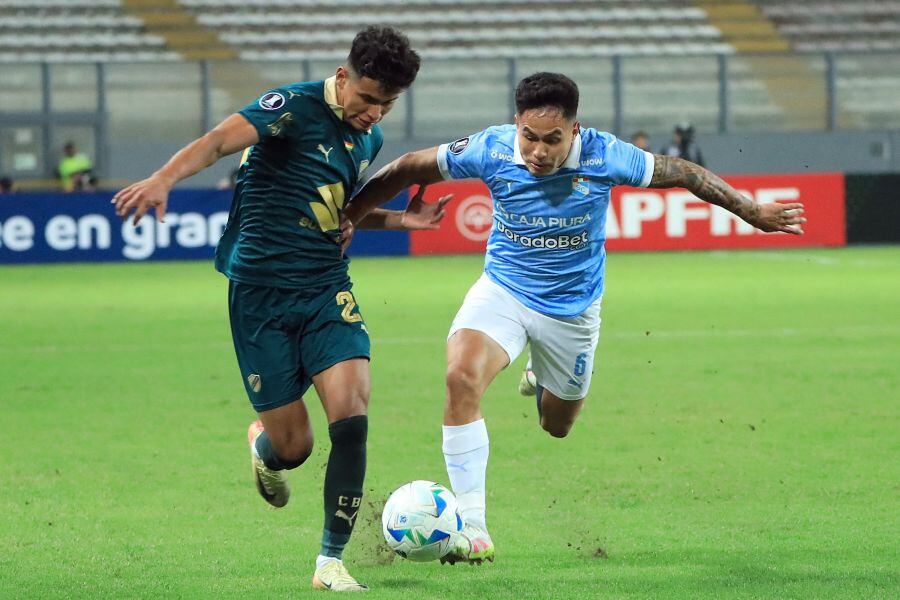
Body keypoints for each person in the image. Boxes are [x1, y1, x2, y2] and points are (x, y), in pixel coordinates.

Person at [345, 72, 805, 565]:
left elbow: (688, 174)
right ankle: (474, 527)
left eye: (552, 139)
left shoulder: (607, 156)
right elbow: (407, 166)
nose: (538, 151)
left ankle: (538, 372)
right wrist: (353, 214)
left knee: (556, 425)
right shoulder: (491, 148)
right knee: (460, 377)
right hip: (504, 290)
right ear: (515, 125)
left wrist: (750, 210)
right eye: (529, 136)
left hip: (572, 310)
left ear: (575, 130)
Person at [113, 26, 448, 592]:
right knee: (294, 448)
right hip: (260, 297)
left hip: (325, 288)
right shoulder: (291, 107)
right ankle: (264, 448)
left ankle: (329, 562)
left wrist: (398, 221)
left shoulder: (368, 140)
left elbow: (336, 213)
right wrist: (164, 177)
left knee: (352, 412)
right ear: (343, 79)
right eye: (367, 98)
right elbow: (220, 139)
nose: (374, 113)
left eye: (387, 104)